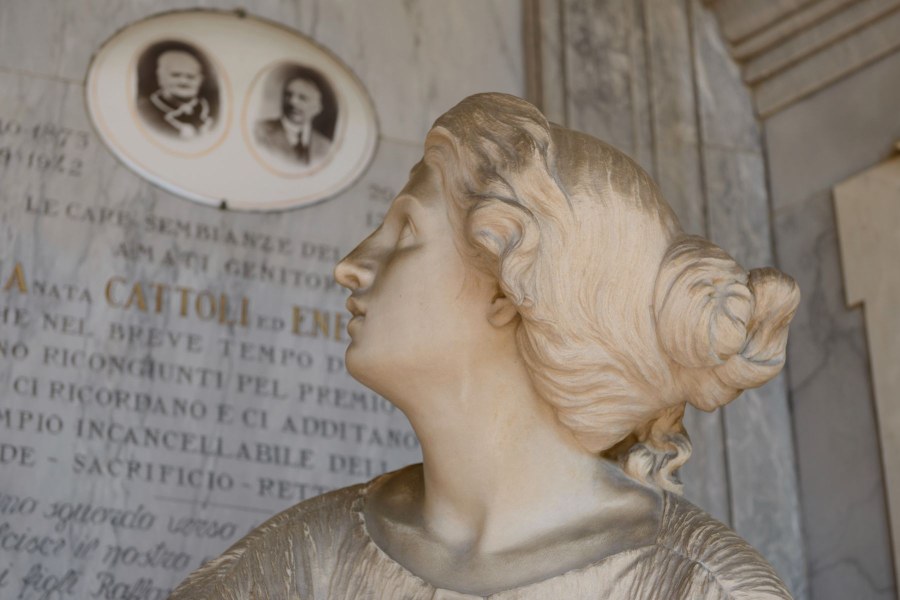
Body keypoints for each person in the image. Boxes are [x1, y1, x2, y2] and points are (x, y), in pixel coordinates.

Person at [168, 93, 798, 599]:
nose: (351, 266)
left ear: (511, 289)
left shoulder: (699, 588)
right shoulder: (299, 562)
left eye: (405, 231)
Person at [253, 73, 331, 166]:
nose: (292, 102)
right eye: (288, 95)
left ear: (317, 108)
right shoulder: (259, 131)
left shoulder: (326, 146)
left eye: (302, 98)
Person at [137, 49, 214, 139]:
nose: (183, 82)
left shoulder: (208, 108)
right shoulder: (144, 110)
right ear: (161, 78)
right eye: (176, 75)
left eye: (190, 77)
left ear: (200, 80)